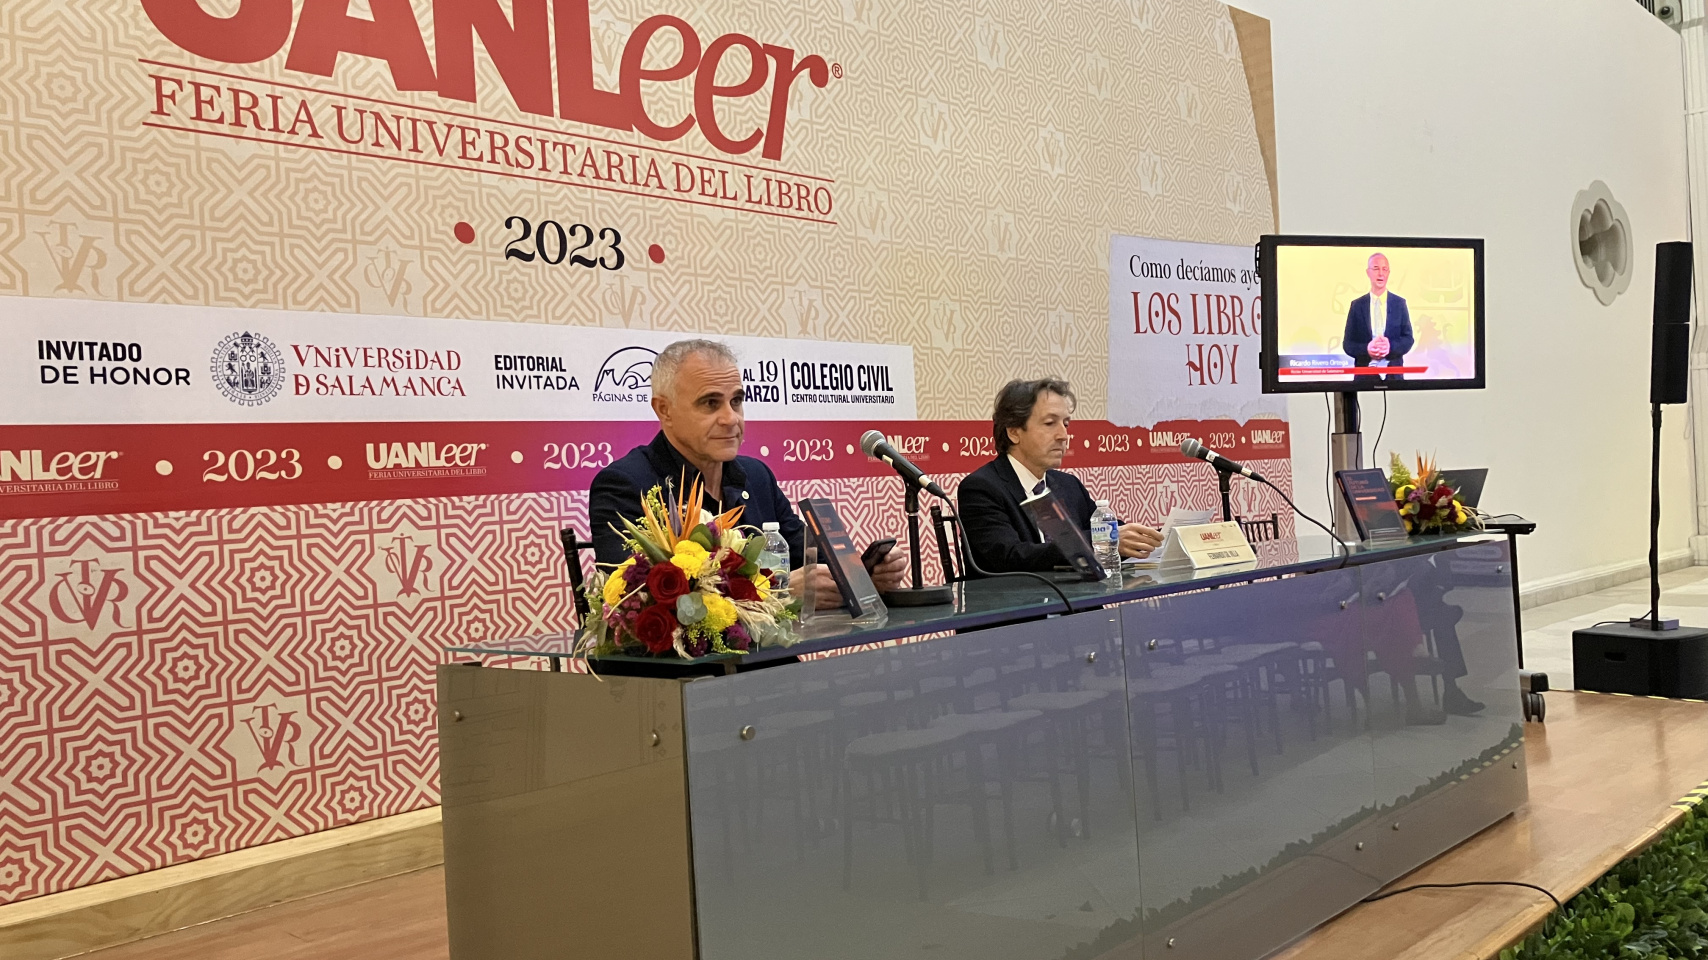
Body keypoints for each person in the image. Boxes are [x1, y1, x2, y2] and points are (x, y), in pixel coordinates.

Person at [589, 339, 909, 607]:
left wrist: (862, 575)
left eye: (736, 401)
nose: (731, 419)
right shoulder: (626, 485)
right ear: (664, 410)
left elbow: (811, 563)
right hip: (686, 674)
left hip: (773, 663)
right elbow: (634, 600)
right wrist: (775, 591)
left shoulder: (756, 476)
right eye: (710, 403)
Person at [956, 378, 1162, 573]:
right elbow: (1009, 558)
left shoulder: (1068, 485)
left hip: (1077, 606)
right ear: (1014, 432)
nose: (1063, 436)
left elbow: (1103, 533)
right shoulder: (981, 488)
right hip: (1021, 607)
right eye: (1049, 423)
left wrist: (1138, 540)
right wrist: (1103, 540)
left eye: (1065, 424)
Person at [1342, 252, 1414, 382]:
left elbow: (1408, 339)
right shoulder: (1357, 305)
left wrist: (1390, 346)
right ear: (1368, 272)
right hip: (1364, 377)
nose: (1381, 273)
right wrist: (1367, 349)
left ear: (1388, 273)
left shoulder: (1399, 303)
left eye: (1384, 269)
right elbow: (1348, 344)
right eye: (1376, 269)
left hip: (1394, 377)